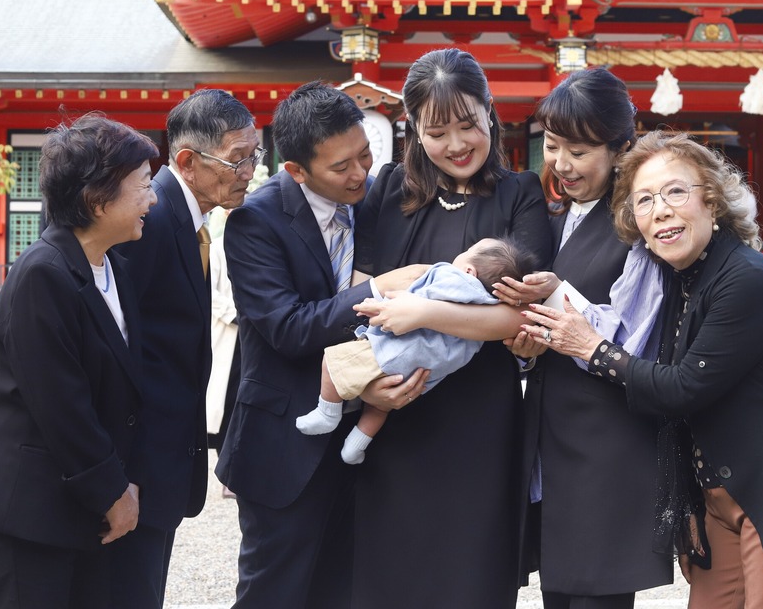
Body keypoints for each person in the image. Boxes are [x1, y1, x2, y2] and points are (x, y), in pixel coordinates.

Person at [520, 130, 763, 609]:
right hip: (721, 487)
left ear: (713, 201)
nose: (660, 209)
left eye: (675, 191)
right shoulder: (678, 278)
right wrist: (684, 500)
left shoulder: (747, 279)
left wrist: (595, 348)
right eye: (644, 201)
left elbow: (683, 389)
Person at [350, 47, 554, 609]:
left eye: (469, 124)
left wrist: (422, 313)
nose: (457, 144)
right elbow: (359, 294)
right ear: (412, 127)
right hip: (393, 412)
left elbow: (518, 314)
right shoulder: (387, 190)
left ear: (490, 112)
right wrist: (365, 384)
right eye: (438, 131)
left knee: (472, 578)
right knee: (388, 576)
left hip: (480, 420)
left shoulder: (521, 194)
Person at [216, 80, 429, 609]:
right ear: (296, 170)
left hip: (367, 438)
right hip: (285, 440)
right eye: (341, 167)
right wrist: (378, 289)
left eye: (365, 155)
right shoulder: (254, 222)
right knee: (275, 592)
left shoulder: (375, 200)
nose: (360, 173)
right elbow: (287, 328)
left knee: (346, 591)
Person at [0, 113, 159, 608]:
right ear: (96, 198)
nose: (152, 200)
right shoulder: (41, 276)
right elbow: (60, 404)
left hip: (83, 504)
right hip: (33, 511)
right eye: (142, 187)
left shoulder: (113, 268)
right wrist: (114, 492)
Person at [492, 67, 673, 608]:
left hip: (609, 447)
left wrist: (552, 298)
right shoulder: (557, 216)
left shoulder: (635, 225)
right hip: (557, 440)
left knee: (597, 596)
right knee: (562, 595)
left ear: (620, 149)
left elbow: (632, 339)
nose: (562, 165)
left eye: (579, 151)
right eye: (552, 147)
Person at [109, 88, 262, 609]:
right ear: (188, 162)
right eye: (237, 159)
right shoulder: (148, 220)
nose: (249, 172)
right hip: (136, 465)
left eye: (254, 156)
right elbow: (117, 348)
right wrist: (117, 479)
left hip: (161, 460)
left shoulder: (191, 218)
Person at [298, 235, 536, 464]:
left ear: (469, 271)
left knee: (331, 362)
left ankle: (327, 413)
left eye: (465, 253)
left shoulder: (453, 279)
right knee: (380, 406)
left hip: (394, 351)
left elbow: (414, 301)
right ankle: (357, 444)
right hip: (424, 374)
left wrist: (380, 304)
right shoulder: (489, 308)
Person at [204, 205, 241, 499]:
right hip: (227, 334)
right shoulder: (215, 249)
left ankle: (235, 472)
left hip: (250, 337)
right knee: (224, 402)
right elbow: (210, 293)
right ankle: (225, 472)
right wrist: (235, 312)